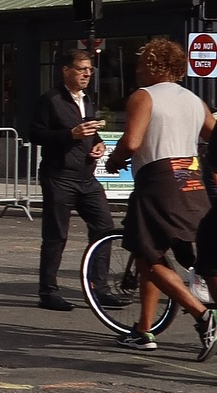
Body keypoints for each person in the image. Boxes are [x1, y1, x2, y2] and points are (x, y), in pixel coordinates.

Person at [104, 38, 216, 355]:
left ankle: (203, 315)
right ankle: (144, 329)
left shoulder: (144, 96)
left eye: (141, 64)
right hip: (192, 179)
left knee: (148, 258)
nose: (137, 70)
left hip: (159, 182)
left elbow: (132, 142)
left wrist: (114, 161)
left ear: (154, 66)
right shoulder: (194, 100)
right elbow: (213, 134)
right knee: (152, 254)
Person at [30, 46, 124, 312]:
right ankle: (48, 291)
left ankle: (99, 288)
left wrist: (99, 144)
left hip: (86, 176)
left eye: (89, 70)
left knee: (104, 228)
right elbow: (35, 134)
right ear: (66, 71)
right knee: (56, 235)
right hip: (59, 175)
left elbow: (90, 131)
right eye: (81, 69)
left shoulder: (87, 99)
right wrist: (69, 134)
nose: (86, 74)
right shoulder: (50, 100)